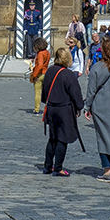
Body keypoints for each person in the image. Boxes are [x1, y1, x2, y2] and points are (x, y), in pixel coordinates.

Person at [84, 38, 110, 181]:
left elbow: (91, 91)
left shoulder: (97, 68)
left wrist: (87, 106)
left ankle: (107, 169)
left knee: (103, 138)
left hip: (101, 106)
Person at [41, 46, 84, 176]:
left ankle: (47, 166)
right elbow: (75, 94)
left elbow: (44, 93)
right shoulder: (68, 74)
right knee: (62, 139)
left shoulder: (49, 71)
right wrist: (79, 106)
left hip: (51, 109)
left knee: (52, 138)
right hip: (64, 110)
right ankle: (58, 167)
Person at [29, 37, 50, 114]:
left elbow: (40, 65)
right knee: (46, 92)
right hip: (46, 73)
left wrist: (34, 75)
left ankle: (36, 109)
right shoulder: (47, 52)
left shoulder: (40, 54)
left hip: (40, 74)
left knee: (38, 93)